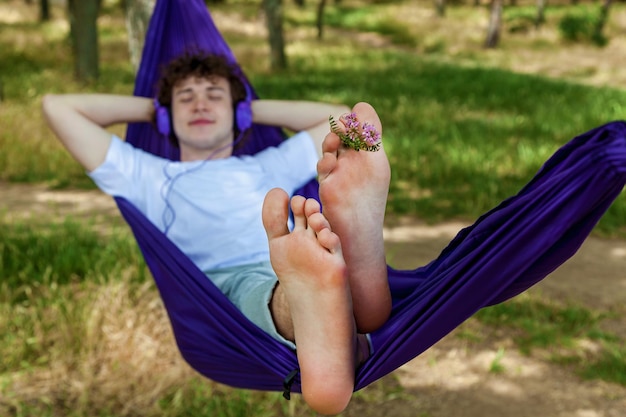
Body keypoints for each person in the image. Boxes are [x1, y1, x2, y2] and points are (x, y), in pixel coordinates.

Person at [42, 51, 392, 415]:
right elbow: (57, 107)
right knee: (262, 289)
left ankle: (334, 299)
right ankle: (330, 301)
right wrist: (154, 108)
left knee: (288, 274)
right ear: (166, 116)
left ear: (237, 113)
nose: (200, 104)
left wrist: (249, 108)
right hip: (224, 284)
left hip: (283, 258)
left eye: (214, 94)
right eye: (185, 97)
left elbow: (344, 120)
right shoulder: (145, 174)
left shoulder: (266, 163)